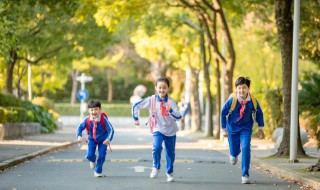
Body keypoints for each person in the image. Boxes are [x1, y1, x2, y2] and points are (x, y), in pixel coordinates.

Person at [132, 76, 182, 182]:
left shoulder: (171, 102)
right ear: (156, 88)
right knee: (156, 147)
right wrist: (136, 118)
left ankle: (169, 172)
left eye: (164, 87)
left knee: (170, 153)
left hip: (170, 130)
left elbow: (179, 117)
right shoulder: (151, 100)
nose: (162, 90)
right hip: (157, 128)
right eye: (159, 87)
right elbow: (136, 106)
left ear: (168, 88)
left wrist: (171, 111)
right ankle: (156, 167)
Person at [220, 76, 265, 184]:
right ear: (236, 89)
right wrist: (223, 128)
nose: (241, 90)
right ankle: (233, 154)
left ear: (248, 89)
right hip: (232, 128)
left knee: (245, 147)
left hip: (246, 127)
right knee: (234, 150)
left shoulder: (253, 101)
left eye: (244, 88)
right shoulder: (232, 100)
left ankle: (245, 174)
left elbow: (259, 114)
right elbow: (223, 113)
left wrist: (260, 128)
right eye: (239, 88)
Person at [76, 100, 114, 177]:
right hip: (92, 139)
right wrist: (79, 136)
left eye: (96, 109)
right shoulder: (87, 120)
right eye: (91, 110)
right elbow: (80, 127)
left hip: (103, 140)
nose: (94, 111)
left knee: (102, 155)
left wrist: (108, 139)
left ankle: (98, 171)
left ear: (100, 109)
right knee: (89, 155)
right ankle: (93, 159)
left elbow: (111, 130)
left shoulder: (103, 119)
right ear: (88, 110)